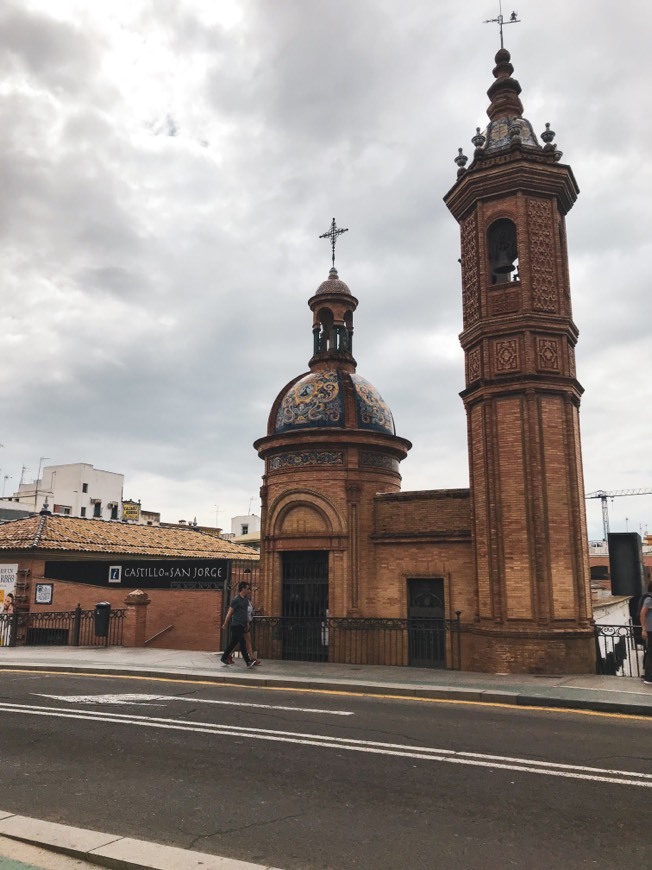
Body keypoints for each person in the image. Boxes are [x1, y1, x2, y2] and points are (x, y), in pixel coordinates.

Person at [221, 581, 260, 668]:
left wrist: (247, 623)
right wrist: (225, 623)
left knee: (233, 642)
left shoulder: (246, 600)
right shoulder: (236, 600)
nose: (249, 590)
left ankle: (224, 657)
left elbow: (245, 613)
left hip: (242, 625)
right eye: (247, 589)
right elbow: (229, 612)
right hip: (236, 625)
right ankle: (248, 661)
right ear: (243, 589)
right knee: (242, 642)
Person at [640, 580, 652, 685]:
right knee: (651, 653)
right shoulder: (649, 599)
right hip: (650, 630)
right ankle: (648, 678)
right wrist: (643, 629)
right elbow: (642, 614)